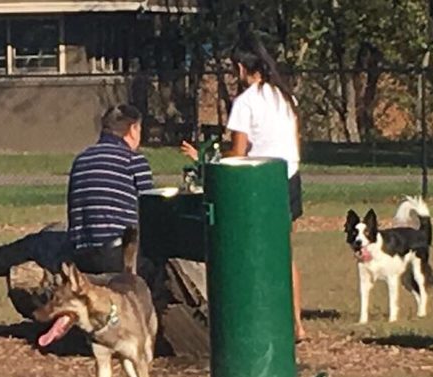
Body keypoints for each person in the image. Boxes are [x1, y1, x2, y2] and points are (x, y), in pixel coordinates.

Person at [181, 35, 307, 341]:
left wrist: (204, 161)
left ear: (240, 68)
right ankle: (297, 322)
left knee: (253, 252)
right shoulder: (285, 96)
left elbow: (237, 154)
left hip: (257, 183)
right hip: (289, 177)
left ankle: (258, 315)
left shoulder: (245, 102)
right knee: (283, 252)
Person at [67, 104, 154, 274]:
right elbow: (150, 212)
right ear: (133, 129)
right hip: (116, 254)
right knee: (160, 268)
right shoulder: (134, 160)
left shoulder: (81, 159)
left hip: (80, 254)